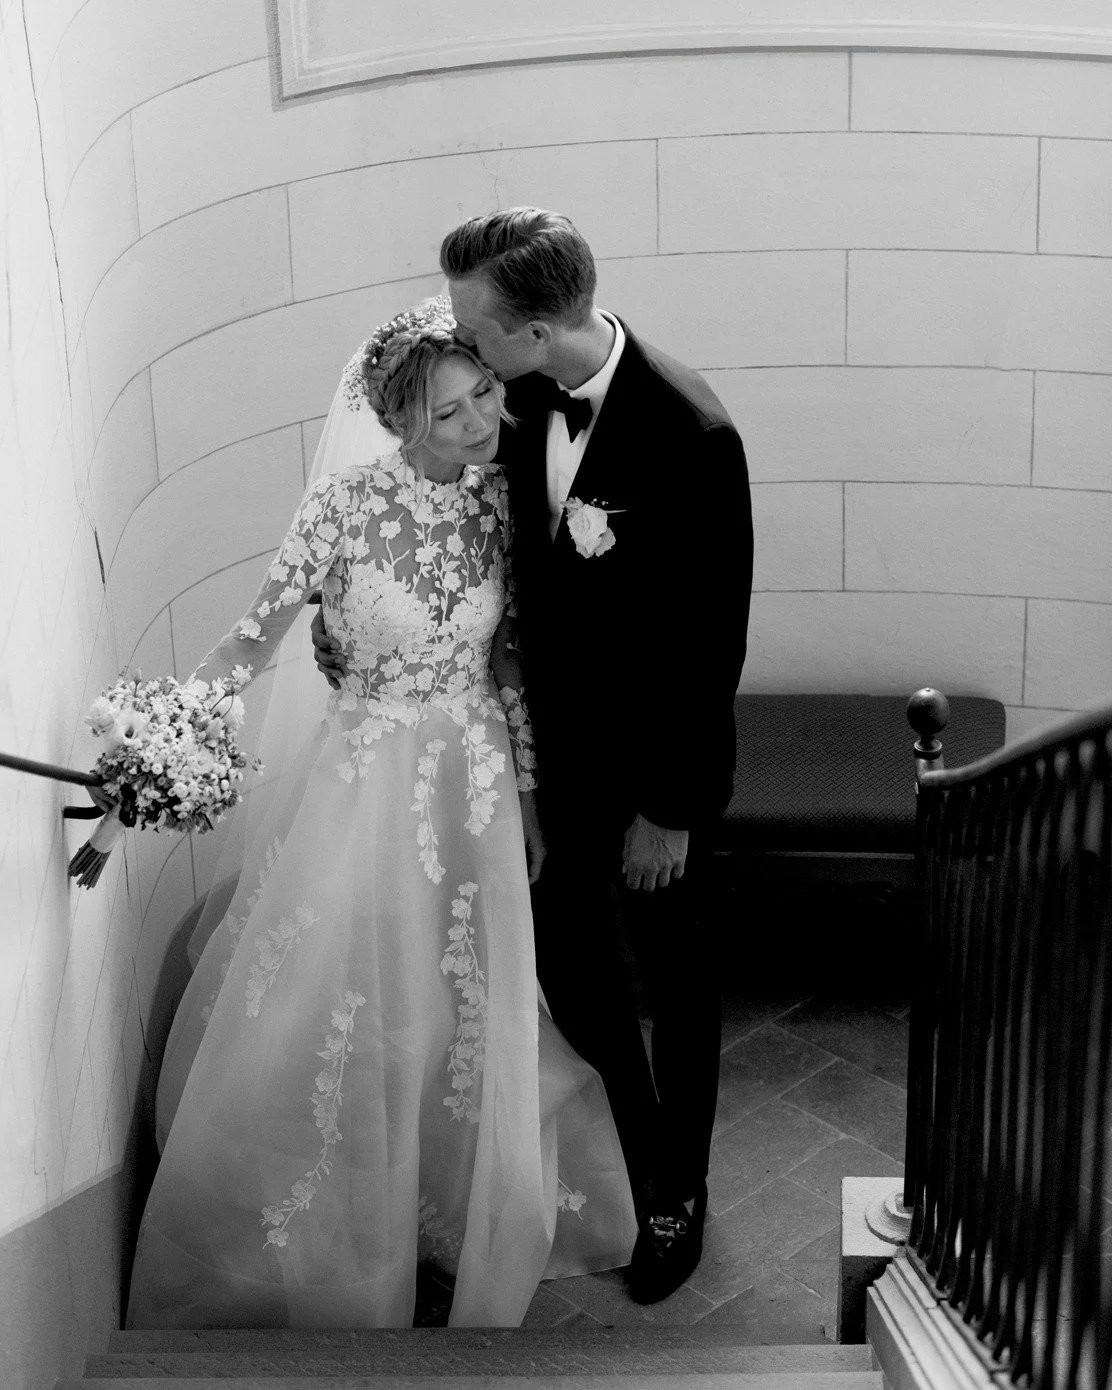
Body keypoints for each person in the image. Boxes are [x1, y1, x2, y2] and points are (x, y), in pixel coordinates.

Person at [125, 296, 638, 1331]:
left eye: (482, 393)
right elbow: (256, 635)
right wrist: (170, 735)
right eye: (448, 413)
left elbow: (505, 667)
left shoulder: (500, 502)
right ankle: (345, 1215)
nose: (478, 421)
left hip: (476, 785)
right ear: (400, 424)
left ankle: (453, 1204)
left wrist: (530, 799)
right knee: (352, 993)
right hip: (362, 782)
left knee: (465, 998)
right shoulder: (344, 506)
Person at [313, 209, 753, 1304]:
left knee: (678, 979)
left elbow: (711, 645)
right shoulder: (506, 413)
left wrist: (671, 810)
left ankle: (677, 1189)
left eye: (473, 328)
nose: (457, 342)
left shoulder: (693, 435)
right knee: (573, 971)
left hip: (656, 776)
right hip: (544, 766)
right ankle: (631, 1145)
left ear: (538, 328)